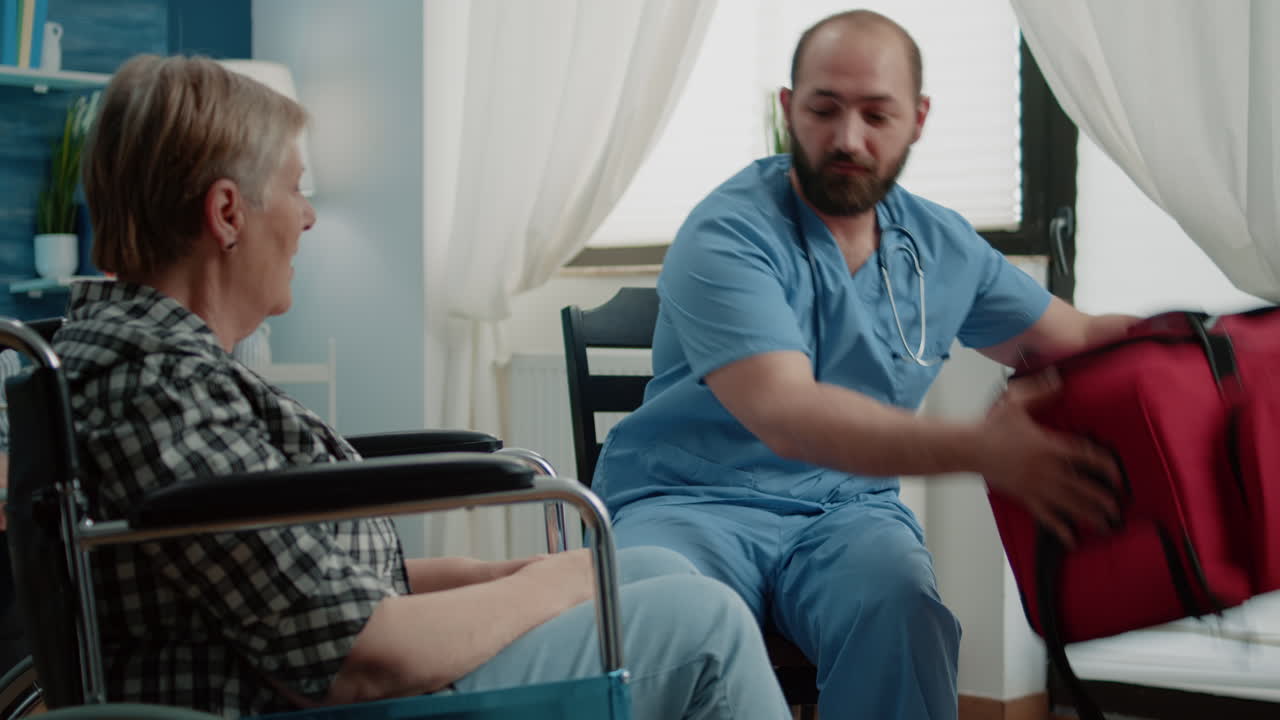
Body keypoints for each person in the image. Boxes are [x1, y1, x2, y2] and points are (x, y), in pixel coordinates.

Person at [48, 54, 791, 719]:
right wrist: (559, 582)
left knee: (656, 566)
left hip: (339, 664)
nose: (307, 217)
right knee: (705, 625)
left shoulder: (165, 368)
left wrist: (504, 572)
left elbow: (304, 582)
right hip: (342, 695)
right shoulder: (157, 389)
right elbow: (363, 658)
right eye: (295, 189)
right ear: (227, 213)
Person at [592, 10, 1138, 720]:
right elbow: (788, 414)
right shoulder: (727, 232)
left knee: (903, 610)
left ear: (918, 118)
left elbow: (1078, 337)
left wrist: (1218, 345)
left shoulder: (940, 246)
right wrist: (983, 449)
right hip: (689, 504)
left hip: (845, 516)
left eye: (877, 114)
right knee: (655, 611)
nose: (849, 138)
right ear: (788, 109)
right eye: (824, 109)